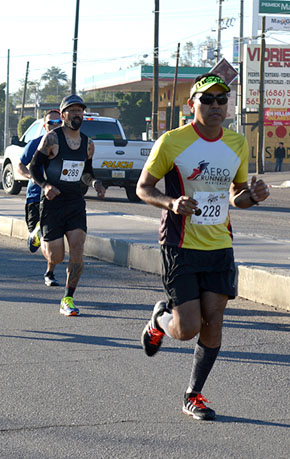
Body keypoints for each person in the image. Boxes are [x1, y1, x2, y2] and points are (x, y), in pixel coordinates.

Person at [136, 73, 270, 421]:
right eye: (207, 100)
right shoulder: (171, 142)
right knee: (186, 329)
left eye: (221, 100)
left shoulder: (237, 143)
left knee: (214, 323)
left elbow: (236, 196)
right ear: (190, 104)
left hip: (219, 245)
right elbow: (143, 188)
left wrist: (251, 197)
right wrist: (171, 203)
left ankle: (192, 395)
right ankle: (159, 320)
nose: (215, 106)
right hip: (180, 245)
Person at [29, 95, 106, 316]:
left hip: (75, 203)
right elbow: (34, 168)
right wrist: (44, 186)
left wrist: (96, 183)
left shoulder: (88, 144)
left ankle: (68, 298)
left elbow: (87, 173)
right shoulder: (52, 139)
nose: (76, 115)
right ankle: (37, 233)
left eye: (79, 111)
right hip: (53, 202)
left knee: (78, 249)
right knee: (56, 257)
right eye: (71, 111)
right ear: (63, 115)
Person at [17, 110, 63, 286]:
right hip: (35, 197)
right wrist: (32, 177)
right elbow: (21, 164)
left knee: (51, 237)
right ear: (45, 126)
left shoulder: (67, 146)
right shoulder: (36, 143)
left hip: (55, 198)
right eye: (50, 123)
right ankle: (33, 236)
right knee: (39, 236)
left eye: (58, 121)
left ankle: (49, 273)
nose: (54, 125)